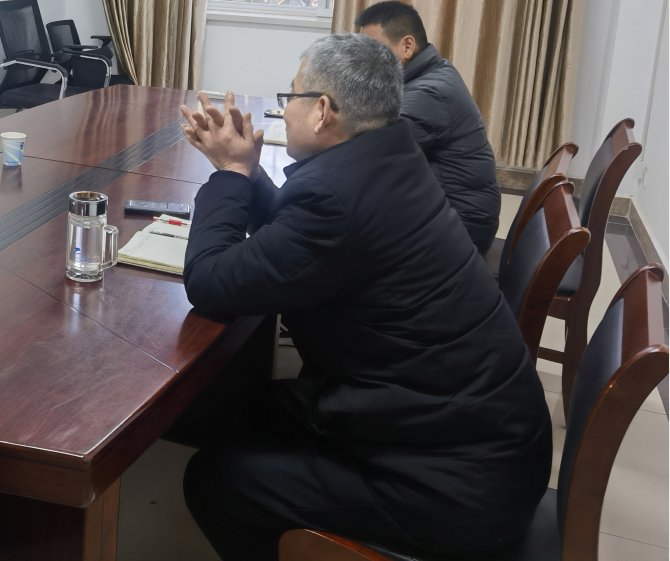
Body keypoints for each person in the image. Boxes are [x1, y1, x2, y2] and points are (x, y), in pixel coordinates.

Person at [174, 34, 551, 561]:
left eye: (291, 97)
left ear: (322, 111)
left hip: (456, 484)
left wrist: (232, 175)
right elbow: (304, 232)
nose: (285, 110)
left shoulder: (334, 198)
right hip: (479, 433)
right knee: (252, 407)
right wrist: (251, 171)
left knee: (215, 482)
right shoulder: (390, 155)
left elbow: (210, 281)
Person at [355, 0, 501, 253]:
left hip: (460, 231)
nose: (363, 61)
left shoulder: (430, 93)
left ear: (407, 46)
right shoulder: (430, 74)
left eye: (373, 50)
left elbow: (367, 154)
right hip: (453, 214)